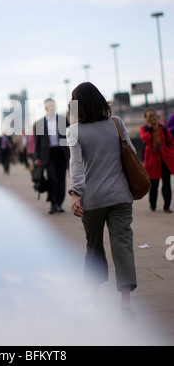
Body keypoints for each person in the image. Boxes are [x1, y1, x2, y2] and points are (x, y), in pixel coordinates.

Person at [66, 82, 137, 319]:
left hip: (92, 200)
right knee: (123, 247)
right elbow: (133, 155)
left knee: (94, 246)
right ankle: (126, 304)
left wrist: (75, 195)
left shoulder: (74, 130)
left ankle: (94, 297)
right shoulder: (116, 123)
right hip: (120, 196)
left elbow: (76, 166)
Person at [34, 98, 69, 214]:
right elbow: (37, 143)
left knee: (61, 179)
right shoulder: (40, 123)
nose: (52, 108)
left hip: (61, 153)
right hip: (48, 155)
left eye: (53, 105)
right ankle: (53, 203)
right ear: (45, 108)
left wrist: (68, 152)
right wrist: (37, 158)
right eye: (49, 106)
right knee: (52, 179)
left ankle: (59, 203)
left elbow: (68, 137)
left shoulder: (62, 120)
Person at [140, 108, 174, 213]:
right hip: (152, 160)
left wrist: (170, 151)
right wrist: (150, 129)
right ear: (146, 118)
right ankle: (153, 204)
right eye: (150, 116)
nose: (152, 118)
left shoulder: (162, 127)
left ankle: (167, 207)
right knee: (154, 185)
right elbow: (145, 138)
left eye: (153, 115)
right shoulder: (144, 128)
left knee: (167, 184)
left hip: (164, 158)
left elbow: (170, 141)